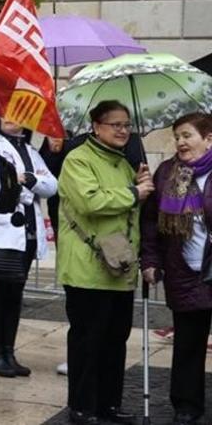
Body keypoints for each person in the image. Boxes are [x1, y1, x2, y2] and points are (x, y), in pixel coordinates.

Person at [57, 100, 152, 425]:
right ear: (96, 126)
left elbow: (132, 213)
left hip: (120, 268)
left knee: (115, 341)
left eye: (126, 124)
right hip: (87, 268)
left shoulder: (124, 163)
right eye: (116, 124)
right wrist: (133, 193)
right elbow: (90, 202)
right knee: (87, 342)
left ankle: (109, 403)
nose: (123, 130)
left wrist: (139, 182)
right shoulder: (77, 159)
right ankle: (82, 406)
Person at [142, 113, 212, 425]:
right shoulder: (168, 172)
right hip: (185, 270)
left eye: (187, 135)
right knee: (188, 343)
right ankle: (187, 403)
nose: (181, 142)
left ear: (208, 138)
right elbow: (151, 223)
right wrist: (151, 260)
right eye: (177, 136)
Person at [0, 119, 57, 378]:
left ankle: (9, 351)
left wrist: (29, 179)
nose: (13, 120)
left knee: (15, 294)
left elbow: (50, 186)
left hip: (28, 230)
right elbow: (1, 183)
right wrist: (22, 184)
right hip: (3, 228)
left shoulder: (31, 151)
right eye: (7, 115)